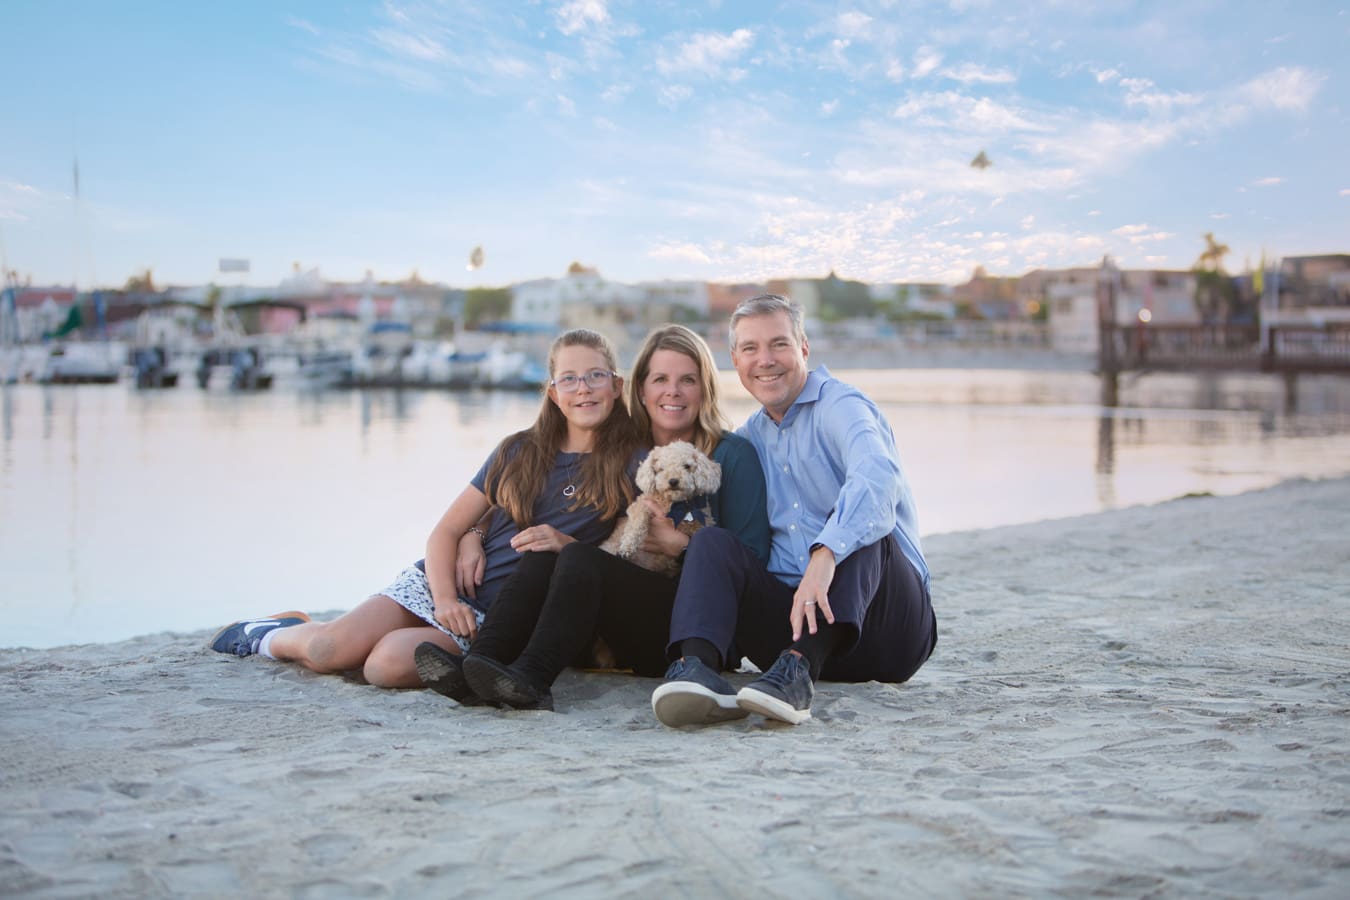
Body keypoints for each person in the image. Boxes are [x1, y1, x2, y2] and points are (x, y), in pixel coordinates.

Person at [207, 328, 640, 688]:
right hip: (441, 585)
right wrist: (448, 595)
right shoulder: (519, 451)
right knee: (329, 651)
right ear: (552, 392)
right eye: (569, 378)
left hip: (501, 619)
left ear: (616, 385)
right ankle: (268, 633)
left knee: (383, 667)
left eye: (595, 375)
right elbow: (445, 532)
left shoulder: (634, 464)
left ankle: (353, 634)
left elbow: (628, 557)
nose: (582, 388)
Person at [414, 323, 770, 710]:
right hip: (612, 613)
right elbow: (527, 499)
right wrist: (474, 532)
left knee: (577, 555)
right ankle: (479, 665)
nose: (673, 391)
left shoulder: (731, 455)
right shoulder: (626, 449)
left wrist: (681, 547)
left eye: (688, 379)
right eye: (660, 379)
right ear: (640, 389)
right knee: (542, 555)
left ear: (706, 388)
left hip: (687, 625)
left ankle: (533, 676)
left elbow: (751, 565)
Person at [652, 294, 937, 727]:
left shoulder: (843, 406)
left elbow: (877, 479)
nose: (765, 360)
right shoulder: (747, 441)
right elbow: (704, 511)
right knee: (712, 541)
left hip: (886, 627)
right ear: (735, 359)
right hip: (790, 629)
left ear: (803, 347)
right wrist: (675, 527)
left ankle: (799, 672)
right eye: (750, 349)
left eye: (778, 344)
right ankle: (697, 668)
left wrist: (825, 555)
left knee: (865, 527)